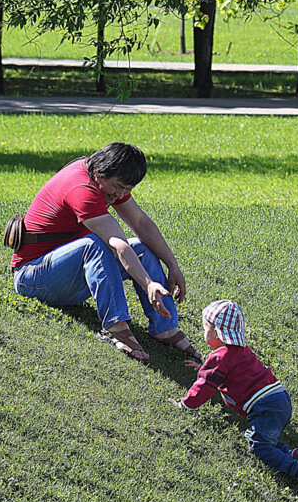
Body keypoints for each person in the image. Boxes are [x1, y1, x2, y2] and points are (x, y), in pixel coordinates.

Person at [12, 142, 199, 362]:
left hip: (67, 276)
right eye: (119, 187)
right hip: (33, 277)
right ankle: (116, 326)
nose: (121, 195)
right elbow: (117, 243)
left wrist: (173, 266)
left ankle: (165, 328)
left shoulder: (104, 179)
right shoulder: (81, 189)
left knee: (141, 248)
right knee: (95, 244)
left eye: (128, 189)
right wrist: (148, 284)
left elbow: (140, 222)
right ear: (100, 174)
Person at [171, 300, 298, 497]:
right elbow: (235, 375)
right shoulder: (242, 351)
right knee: (264, 437)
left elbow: (204, 387)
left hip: (266, 406)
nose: (203, 332)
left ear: (216, 333)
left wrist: (185, 405)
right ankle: (290, 454)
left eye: (205, 328)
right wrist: (205, 370)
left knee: (258, 446)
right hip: (279, 400)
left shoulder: (220, 357)